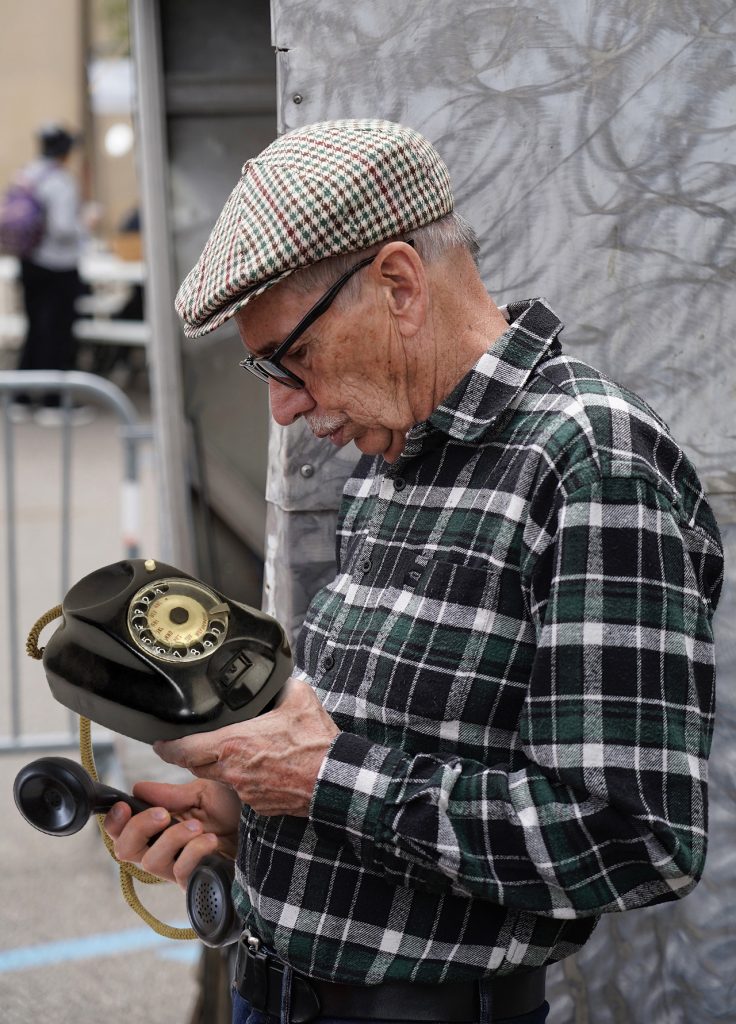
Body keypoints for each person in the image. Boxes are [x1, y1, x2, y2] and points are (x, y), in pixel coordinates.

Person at [104, 120, 724, 1024]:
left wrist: (320, 779)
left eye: (293, 358)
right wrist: (250, 811)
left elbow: (635, 839)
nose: (282, 406)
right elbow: (385, 742)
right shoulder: (401, 441)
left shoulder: (592, 463)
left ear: (398, 284)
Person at [13, 123, 90, 425]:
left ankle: (20, 397)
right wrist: (86, 226)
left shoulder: (27, 174)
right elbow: (63, 229)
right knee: (57, 333)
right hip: (58, 267)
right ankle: (52, 402)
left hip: (29, 263)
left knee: (35, 329)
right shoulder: (60, 182)